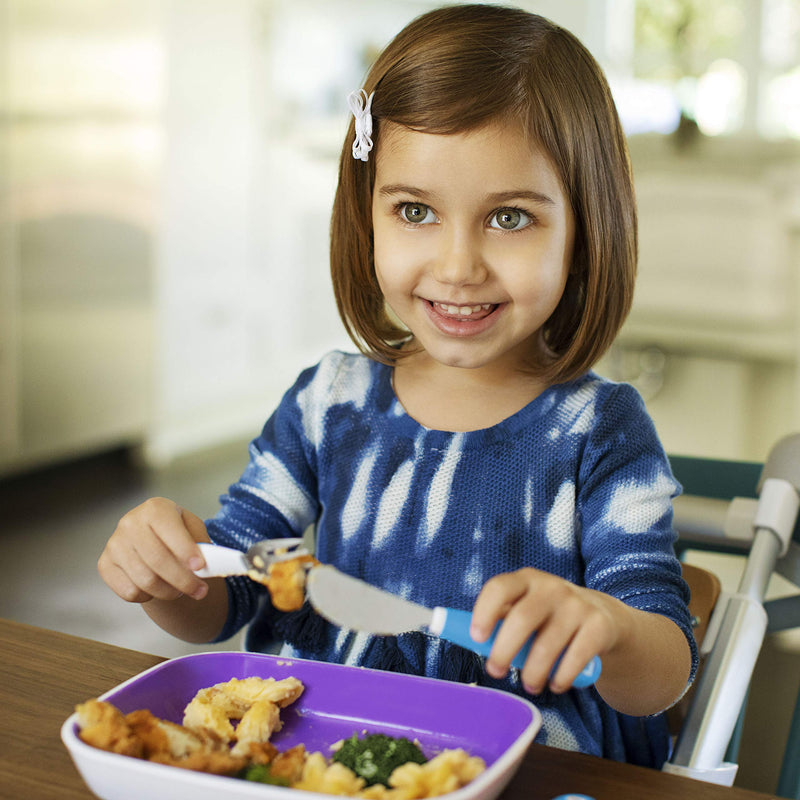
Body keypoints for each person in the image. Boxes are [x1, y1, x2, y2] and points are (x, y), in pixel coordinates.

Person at [99, 4, 697, 768]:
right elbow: (230, 596)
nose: (457, 266)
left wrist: (608, 626)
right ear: (367, 216)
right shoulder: (329, 403)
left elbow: (663, 673)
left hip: (521, 771)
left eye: (510, 218)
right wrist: (166, 572)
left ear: (585, 231)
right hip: (315, 764)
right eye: (415, 211)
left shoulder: (600, 429)